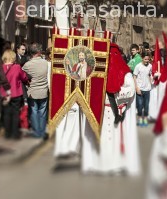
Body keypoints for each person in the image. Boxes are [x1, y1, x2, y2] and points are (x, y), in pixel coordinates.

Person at [54, 43, 141, 176]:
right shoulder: (96, 71)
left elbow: (130, 92)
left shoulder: (125, 73)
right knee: (100, 139)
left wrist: (115, 93)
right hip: (98, 111)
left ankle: (114, 164)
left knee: (113, 139)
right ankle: (98, 163)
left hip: (115, 111)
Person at [0, 50, 29, 139]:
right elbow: (24, 77)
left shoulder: (1, 67)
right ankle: (15, 134)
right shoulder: (17, 67)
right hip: (16, 93)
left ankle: (7, 134)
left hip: (4, 93)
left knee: (7, 113)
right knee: (15, 113)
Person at [22, 43, 49, 139]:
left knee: (33, 112)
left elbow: (22, 76)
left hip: (32, 92)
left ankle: (37, 132)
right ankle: (41, 132)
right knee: (42, 113)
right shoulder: (45, 63)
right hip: (43, 92)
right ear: (39, 52)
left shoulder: (27, 65)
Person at [133, 52, 152, 127]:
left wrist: (152, 80)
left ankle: (145, 119)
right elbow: (134, 76)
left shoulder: (150, 66)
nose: (147, 61)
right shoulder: (138, 66)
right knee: (140, 106)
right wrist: (136, 87)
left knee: (146, 106)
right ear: (142, 58)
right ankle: (140, 119)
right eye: (145, 59)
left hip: (147, 89)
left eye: (148, 59)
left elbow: (150, 75)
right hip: (140, 89)